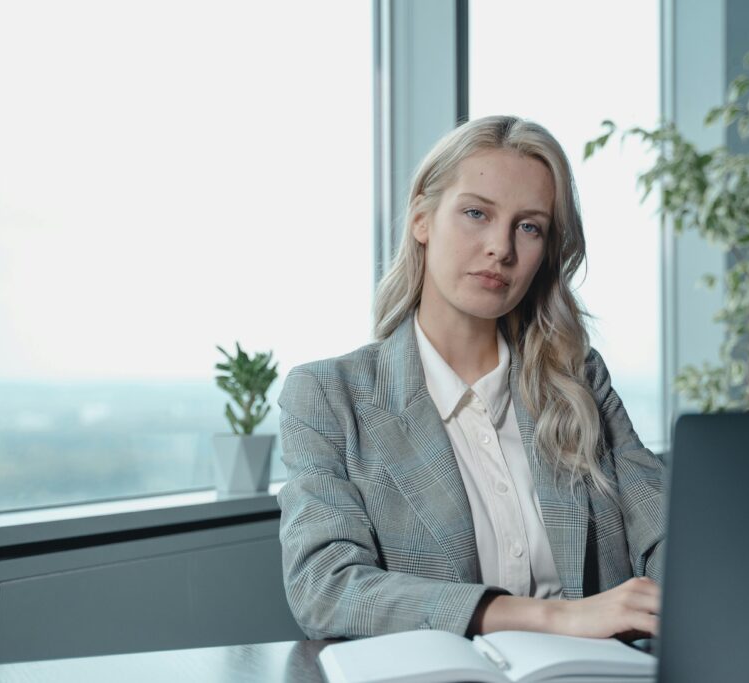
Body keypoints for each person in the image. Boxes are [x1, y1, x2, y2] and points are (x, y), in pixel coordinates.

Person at [277, 115, 666, 642]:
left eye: (528, 227)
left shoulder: (579, 380)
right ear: (422, 219)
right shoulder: (329, 397)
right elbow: (326, 589)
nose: (500, 249)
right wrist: (554, 616)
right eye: (476, 213)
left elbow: (667, 538)